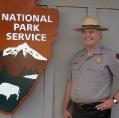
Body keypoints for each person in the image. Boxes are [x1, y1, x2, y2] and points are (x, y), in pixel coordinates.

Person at [62, 16, 119, 118]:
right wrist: (64, 108)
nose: (87, 35)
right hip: (76, 111)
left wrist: (114, 100)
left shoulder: (110, 56)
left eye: (91, 32)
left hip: (98, 112)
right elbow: (70, 83)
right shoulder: (77, 57)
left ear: (99, 35)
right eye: (84, 32)